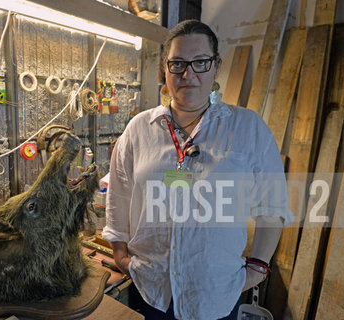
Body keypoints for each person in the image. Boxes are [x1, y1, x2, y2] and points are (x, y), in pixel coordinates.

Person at [102, 20, 294, 320]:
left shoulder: (246, 128)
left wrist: (258, 268)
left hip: (215, 293)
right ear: (165, 69)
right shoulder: (139, 128)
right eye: (177, 63)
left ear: (215, 66)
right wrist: (121, 255)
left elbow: (274, 202)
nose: (187, 74)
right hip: (152, 291)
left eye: (200, 62)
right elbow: (119, 195)